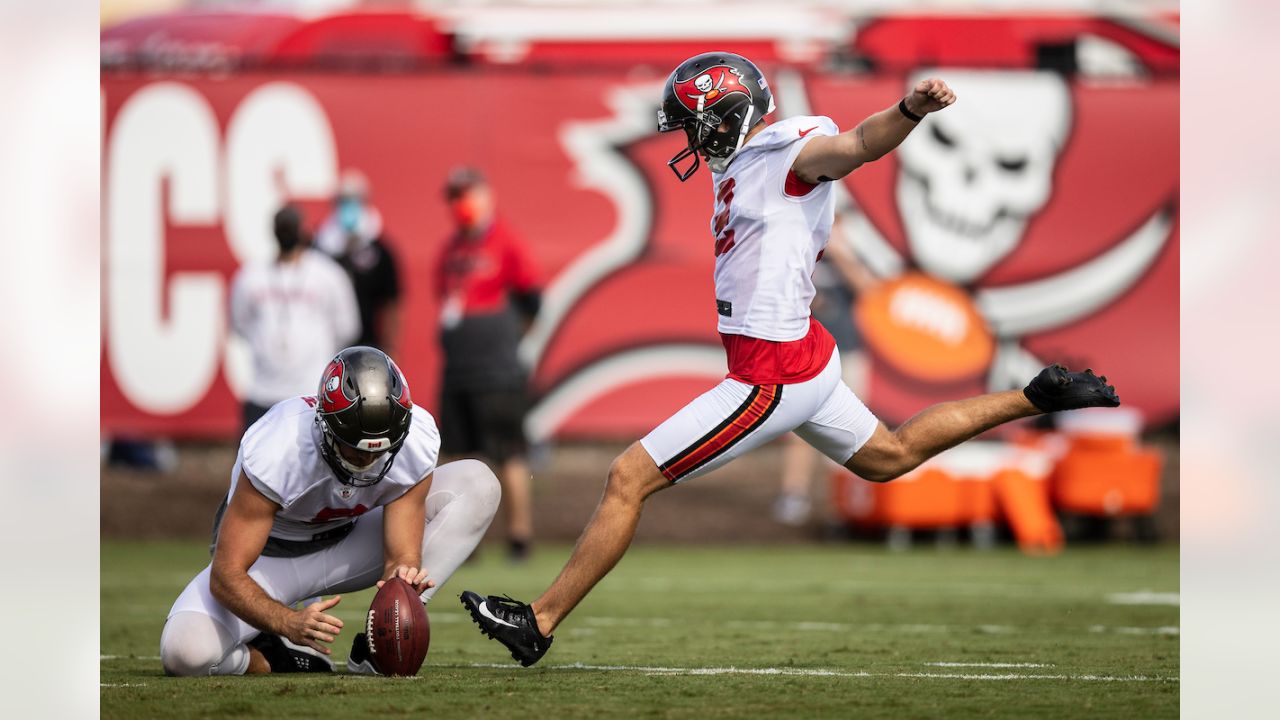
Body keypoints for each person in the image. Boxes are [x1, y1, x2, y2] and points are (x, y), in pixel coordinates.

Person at [459, 51, 1119, 667]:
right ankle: (1036, 397)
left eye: (695, 125)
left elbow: (856, 146)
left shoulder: (787, 153)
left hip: (769, 375)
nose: (691, 140)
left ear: (728, 116)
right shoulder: (748, 165)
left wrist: (910, 112)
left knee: (629, 478)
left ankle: (538, 623)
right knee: (890, 456)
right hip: (802, 356)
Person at [159, 346, 501, 676]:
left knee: (478, 483)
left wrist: (403, 587)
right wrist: (286, 622)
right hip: (271, 562)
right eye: (355, 450)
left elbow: (400, 558)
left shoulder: (414, 439)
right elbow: (226, 574)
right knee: (185, 653)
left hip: (351, 545)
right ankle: (269, 656)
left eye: (380, 451)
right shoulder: (280, 447)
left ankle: (376, 646)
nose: (368, 462)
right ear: (326, 427)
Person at [434, 167, 542, 561]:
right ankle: (461, 536)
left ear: (485, 196)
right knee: (458, 454)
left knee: (508, 452)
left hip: (497, 370)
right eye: (454, 196)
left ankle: (519, 537)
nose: (461, 204)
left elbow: (532, 301)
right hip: (458, 369)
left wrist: (506, 340)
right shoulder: (449, 251)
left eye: (467, 194)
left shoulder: (506, 242)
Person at [773, 218, 880, 526]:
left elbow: (870, 290)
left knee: (854, 429)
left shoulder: (852, 252)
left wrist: (841, 252)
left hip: (847, 352)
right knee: (802, 428)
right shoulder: (798, 248)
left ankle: (847, 500)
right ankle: (794, 495)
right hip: (807, 353)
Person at [229, 205, 361, 432]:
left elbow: (347, 327)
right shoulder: (251, 275)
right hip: (262, 392)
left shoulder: (328, 275)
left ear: (304, 231)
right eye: (283, 227)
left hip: (311, 392)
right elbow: (239, 323)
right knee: (254, 464)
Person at [315, 170, 403, 357]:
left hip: (368, 347)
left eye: (354, 200)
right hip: (325, 347)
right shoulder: (320, 250)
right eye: (344, 200)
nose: (349, 207)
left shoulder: (380, 251)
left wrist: (391, 347)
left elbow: (391, 302)